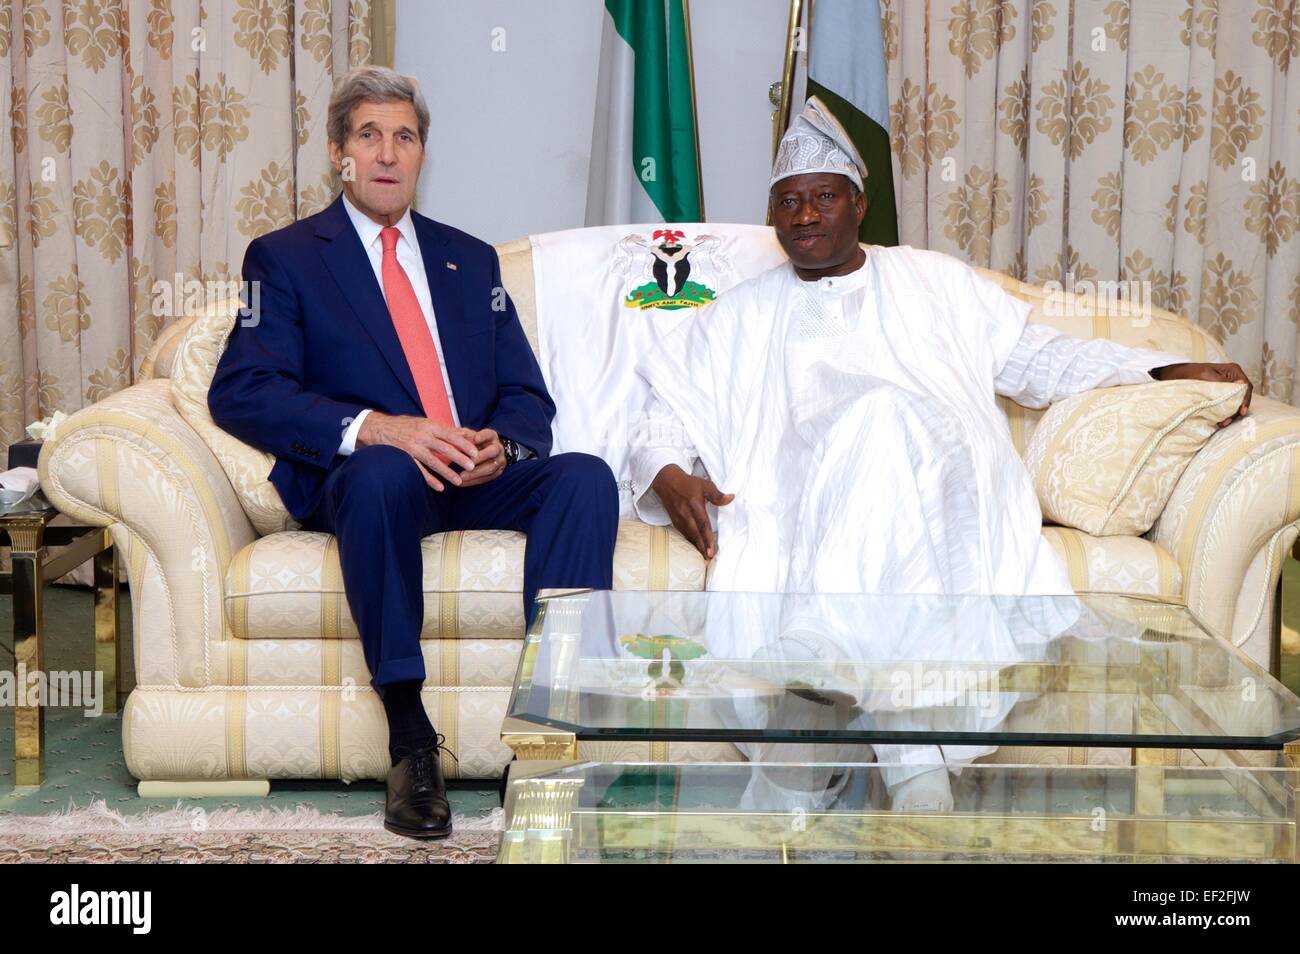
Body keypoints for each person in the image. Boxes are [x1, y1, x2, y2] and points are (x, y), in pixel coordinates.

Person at [628, 96, 1253, 812]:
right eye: (789, 202)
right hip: (804, 500)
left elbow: (1040, 359)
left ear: (858, 204)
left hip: (942, 476)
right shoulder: (738, 316)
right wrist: (669, 472)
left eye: (822, 198)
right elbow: (661, 418)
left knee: (882, 415)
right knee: (869, 429)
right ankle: (914, 762)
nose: (804, 216)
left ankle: (819, 666)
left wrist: (1160, 370)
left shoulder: (935, 281)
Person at [208, 67, 619, 839]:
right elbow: (241, 388)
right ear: (339, 153)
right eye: (369, 135)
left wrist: (506, 442)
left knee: (585, 480)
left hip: (468, 475)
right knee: (384, 471)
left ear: (423, 153)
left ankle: (550, 739)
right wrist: (373, 425)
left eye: (404, 136)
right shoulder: (287, 257)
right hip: (373, 479)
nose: (388, 153)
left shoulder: (469, 260)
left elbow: (528, 397)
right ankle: (409, 736)